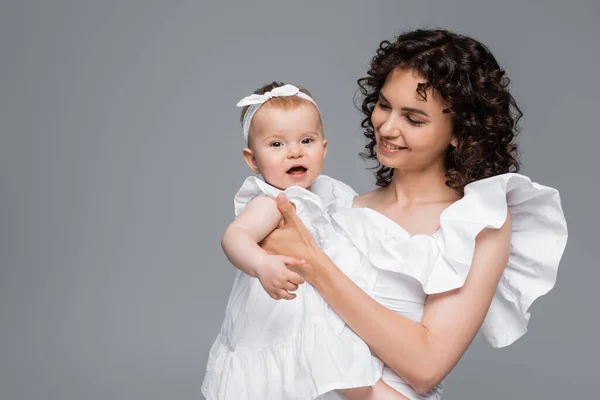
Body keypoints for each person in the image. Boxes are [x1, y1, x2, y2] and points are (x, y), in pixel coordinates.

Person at [260, 29, 568, 399]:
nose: (387, 128)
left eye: (414, 119)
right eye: (385, 105)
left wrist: (313, 263)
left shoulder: (478, 224)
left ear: (459, 132)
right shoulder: (339, 208)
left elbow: (425, 365)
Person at [201, 82, 408, 400]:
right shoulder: (272, 201)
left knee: (354, 376)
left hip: (329, 305)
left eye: (306, 140)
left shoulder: (332, 191)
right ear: (252, 160)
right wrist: (261, 264)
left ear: (323, 149)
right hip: (287, 311)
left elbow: (358, 230)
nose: (295, 151)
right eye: (276, 144)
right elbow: (235, 236)